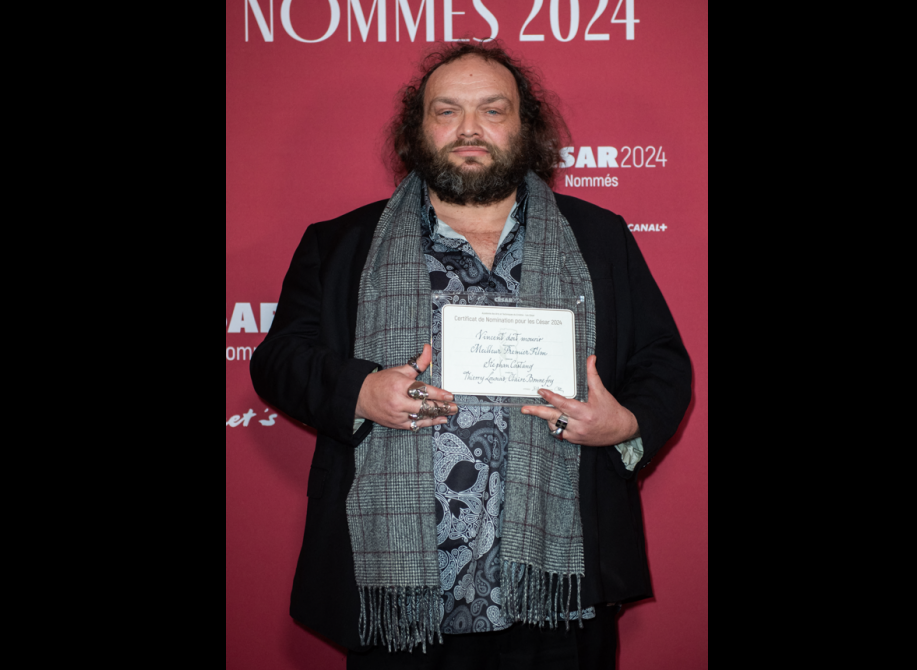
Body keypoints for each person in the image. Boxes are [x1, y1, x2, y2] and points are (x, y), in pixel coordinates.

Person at [251, 42, 691, 669]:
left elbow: (662, 361)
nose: (469, 130)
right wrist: (359, 391)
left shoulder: (599, 238)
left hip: (557, 589)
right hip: (401, 597)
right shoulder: (341, 244)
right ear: (418, 129)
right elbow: (278, 360)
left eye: (492, 110)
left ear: (523, 126)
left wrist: (625, 424)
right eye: (447, 111)